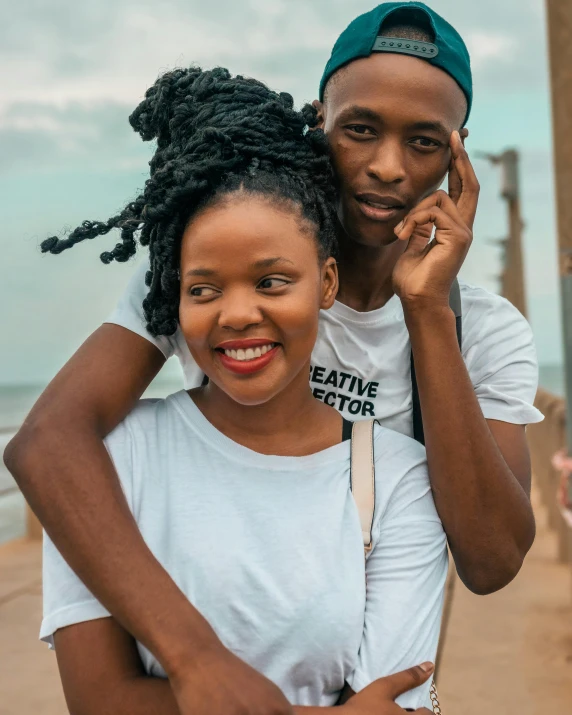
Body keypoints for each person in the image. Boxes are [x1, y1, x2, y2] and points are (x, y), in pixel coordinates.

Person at [4, 2, 541, 713]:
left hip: (376, 660)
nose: (387, 166)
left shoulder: (486, 332)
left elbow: (491, 560)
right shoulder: (218, 265)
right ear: (320, 121)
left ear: (457, 154)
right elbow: (48, 441)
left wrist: (427, 311)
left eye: (423, 142)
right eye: (359, 129)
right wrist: (195, 657)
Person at [40, 66, 446, 714]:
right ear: (173, 299)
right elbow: (97, 700)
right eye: (204, 289)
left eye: (272, 281)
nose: (236, 314)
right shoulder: (111, 459)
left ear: (327, 282)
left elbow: (399, 702)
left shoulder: (396, 478)